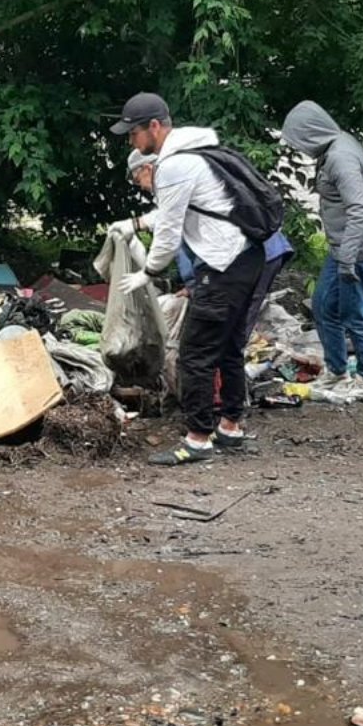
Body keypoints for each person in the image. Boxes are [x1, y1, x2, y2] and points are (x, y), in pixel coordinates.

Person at [108, 92, 266, 465]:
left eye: (134, 133)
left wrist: (147, 272)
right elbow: (171, 213)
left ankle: (197, 438)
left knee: (194, 353)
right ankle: (231, 426)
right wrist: (133, 224)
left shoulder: (174, 166)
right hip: (246, 258)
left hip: (224, 265)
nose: (132, 141)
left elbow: (169, 232)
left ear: (155, 127)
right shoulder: (197, 153)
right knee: (228, 346)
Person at [109, 152, 293, 344]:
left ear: (147, 168)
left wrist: (135, 224)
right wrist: (192, 286)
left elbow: (175, 234)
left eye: (139, 181)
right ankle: (225, 363)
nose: (142, 187)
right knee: (229, 321)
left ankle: (225, 366)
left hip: (256, 252)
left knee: (236, 321)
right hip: (246, 250)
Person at [280, 101, 363, 403]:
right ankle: (338, 371)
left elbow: (358, 209)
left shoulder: (341, 157)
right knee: (323, 306)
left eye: (298, 140)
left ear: (309, 133)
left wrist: (348, 259)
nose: (300, 148)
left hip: (358, 251)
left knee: (357, 314)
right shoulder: (334, 148)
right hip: (343, 247)